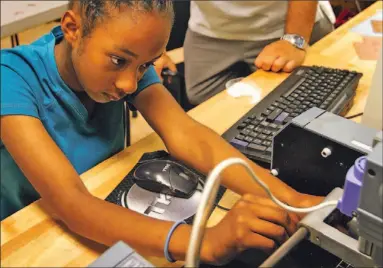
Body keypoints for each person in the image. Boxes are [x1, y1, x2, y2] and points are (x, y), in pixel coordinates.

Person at [1, 0, 322, 265]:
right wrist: (204, 241)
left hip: (102, 208)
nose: (130, 83)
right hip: (29, 237)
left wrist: (291, 199)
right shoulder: (11, 78)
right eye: (118, 61)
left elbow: (185, 133)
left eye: (145, 66)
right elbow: (71, 204)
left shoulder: (127, 59)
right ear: (72, 28)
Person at [182, 1, 336, 105]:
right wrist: (160, 50)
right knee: (204, 101)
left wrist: (294, 40)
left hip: (286, 24)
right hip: (211, 27)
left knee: (309, 100)